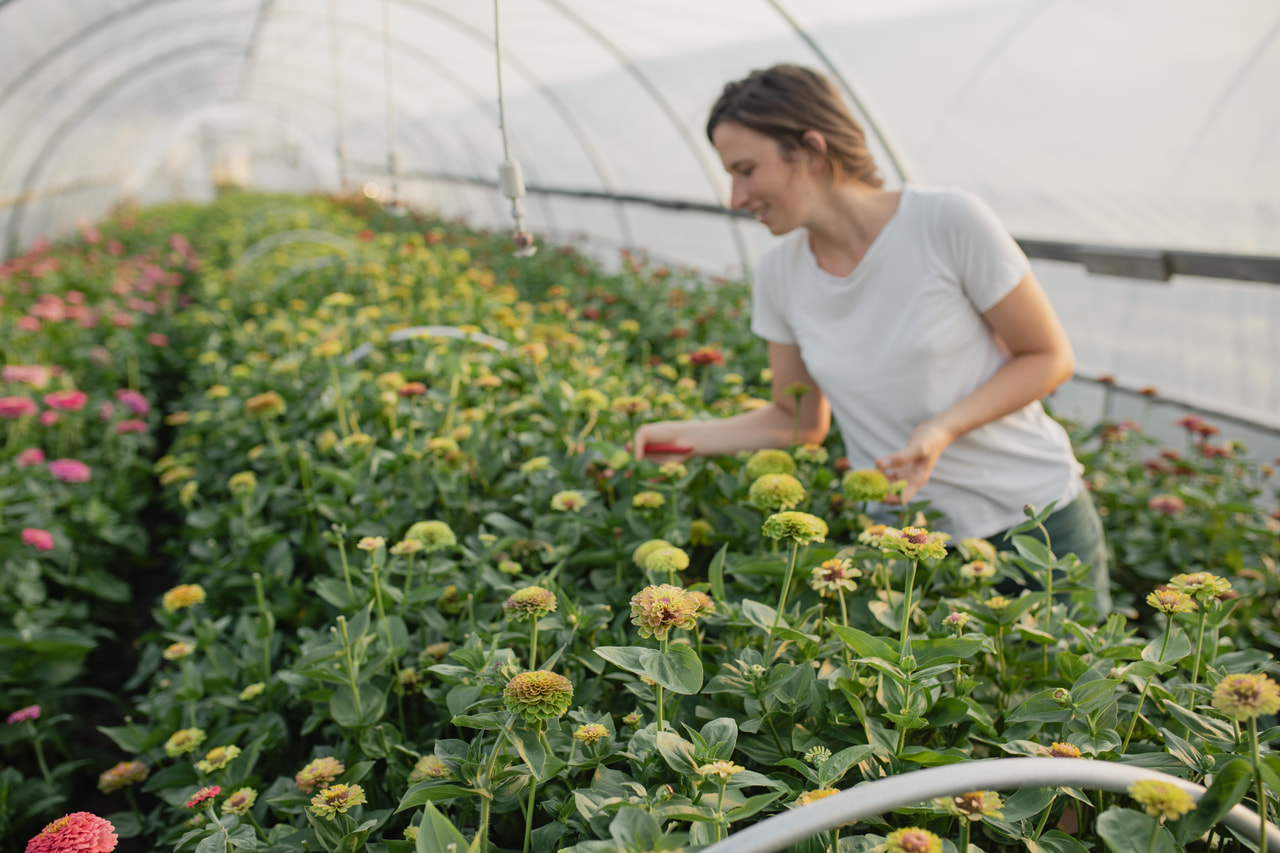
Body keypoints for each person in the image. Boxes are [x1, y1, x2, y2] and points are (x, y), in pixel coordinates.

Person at [633, 64, 1109, 615]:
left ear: (811, 148)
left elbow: (1048, 356)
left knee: (1068, 698)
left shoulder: (946, 221)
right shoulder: (779, 275)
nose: (736, 197)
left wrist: (942, 428)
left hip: (1036, 526)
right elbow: (797, 420)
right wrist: (674, 436)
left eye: (745, 170)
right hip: (904, 550)